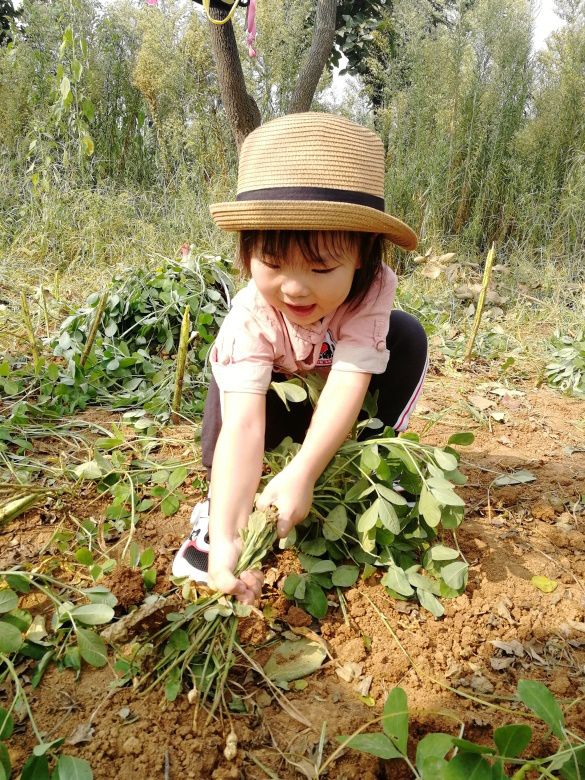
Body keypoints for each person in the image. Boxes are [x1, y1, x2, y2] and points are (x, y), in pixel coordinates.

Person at [172, 112, 428, 604]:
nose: (293, 287)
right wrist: (229, 537)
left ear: (362, 256)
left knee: (407, 336)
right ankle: (217, 511)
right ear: (247, 254)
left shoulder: (372, 288)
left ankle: (368, 463)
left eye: (321, 266)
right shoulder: (250, 315)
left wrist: (304, 471)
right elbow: (244, 426)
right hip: (271, 412)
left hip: (332, 406)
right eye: (271, 263)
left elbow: (351, 378)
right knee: (227, 383)